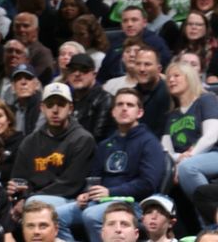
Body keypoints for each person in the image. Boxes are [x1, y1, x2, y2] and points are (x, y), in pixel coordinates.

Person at [54, 88, 165, 241]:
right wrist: (87, 194)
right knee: (56, 217)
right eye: (119, 104)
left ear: (139, 112)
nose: (124, 108)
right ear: (112, 112)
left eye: (130, 105)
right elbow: (94, 178)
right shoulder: (106, 144)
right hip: (101, 201)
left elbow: (148, 184)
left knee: (91, 216)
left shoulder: (149, 143)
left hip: (133, 204)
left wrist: (110, 192)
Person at [8, 83, 96, 221]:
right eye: (50, 105)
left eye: (61, 104)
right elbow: (19, 180)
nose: (55, 110)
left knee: (33, 208)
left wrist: (29, 198)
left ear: (70, 108)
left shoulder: (83, 139)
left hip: (72, 201)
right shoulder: (30, 142)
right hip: (33, 199)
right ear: (42, 108)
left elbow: (70, 184)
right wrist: (19, 196)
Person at [162, 61, 218, 203]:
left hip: (213, 154)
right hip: (187, 160)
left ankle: (213, 217)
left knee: (188, 168)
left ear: (190, 77)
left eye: (176, 75)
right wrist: (178, 157)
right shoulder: (171, 115)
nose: (171, 80)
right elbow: (165, 149)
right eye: (168, 77)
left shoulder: (206, 99)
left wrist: (189, 157)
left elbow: (212, 135)